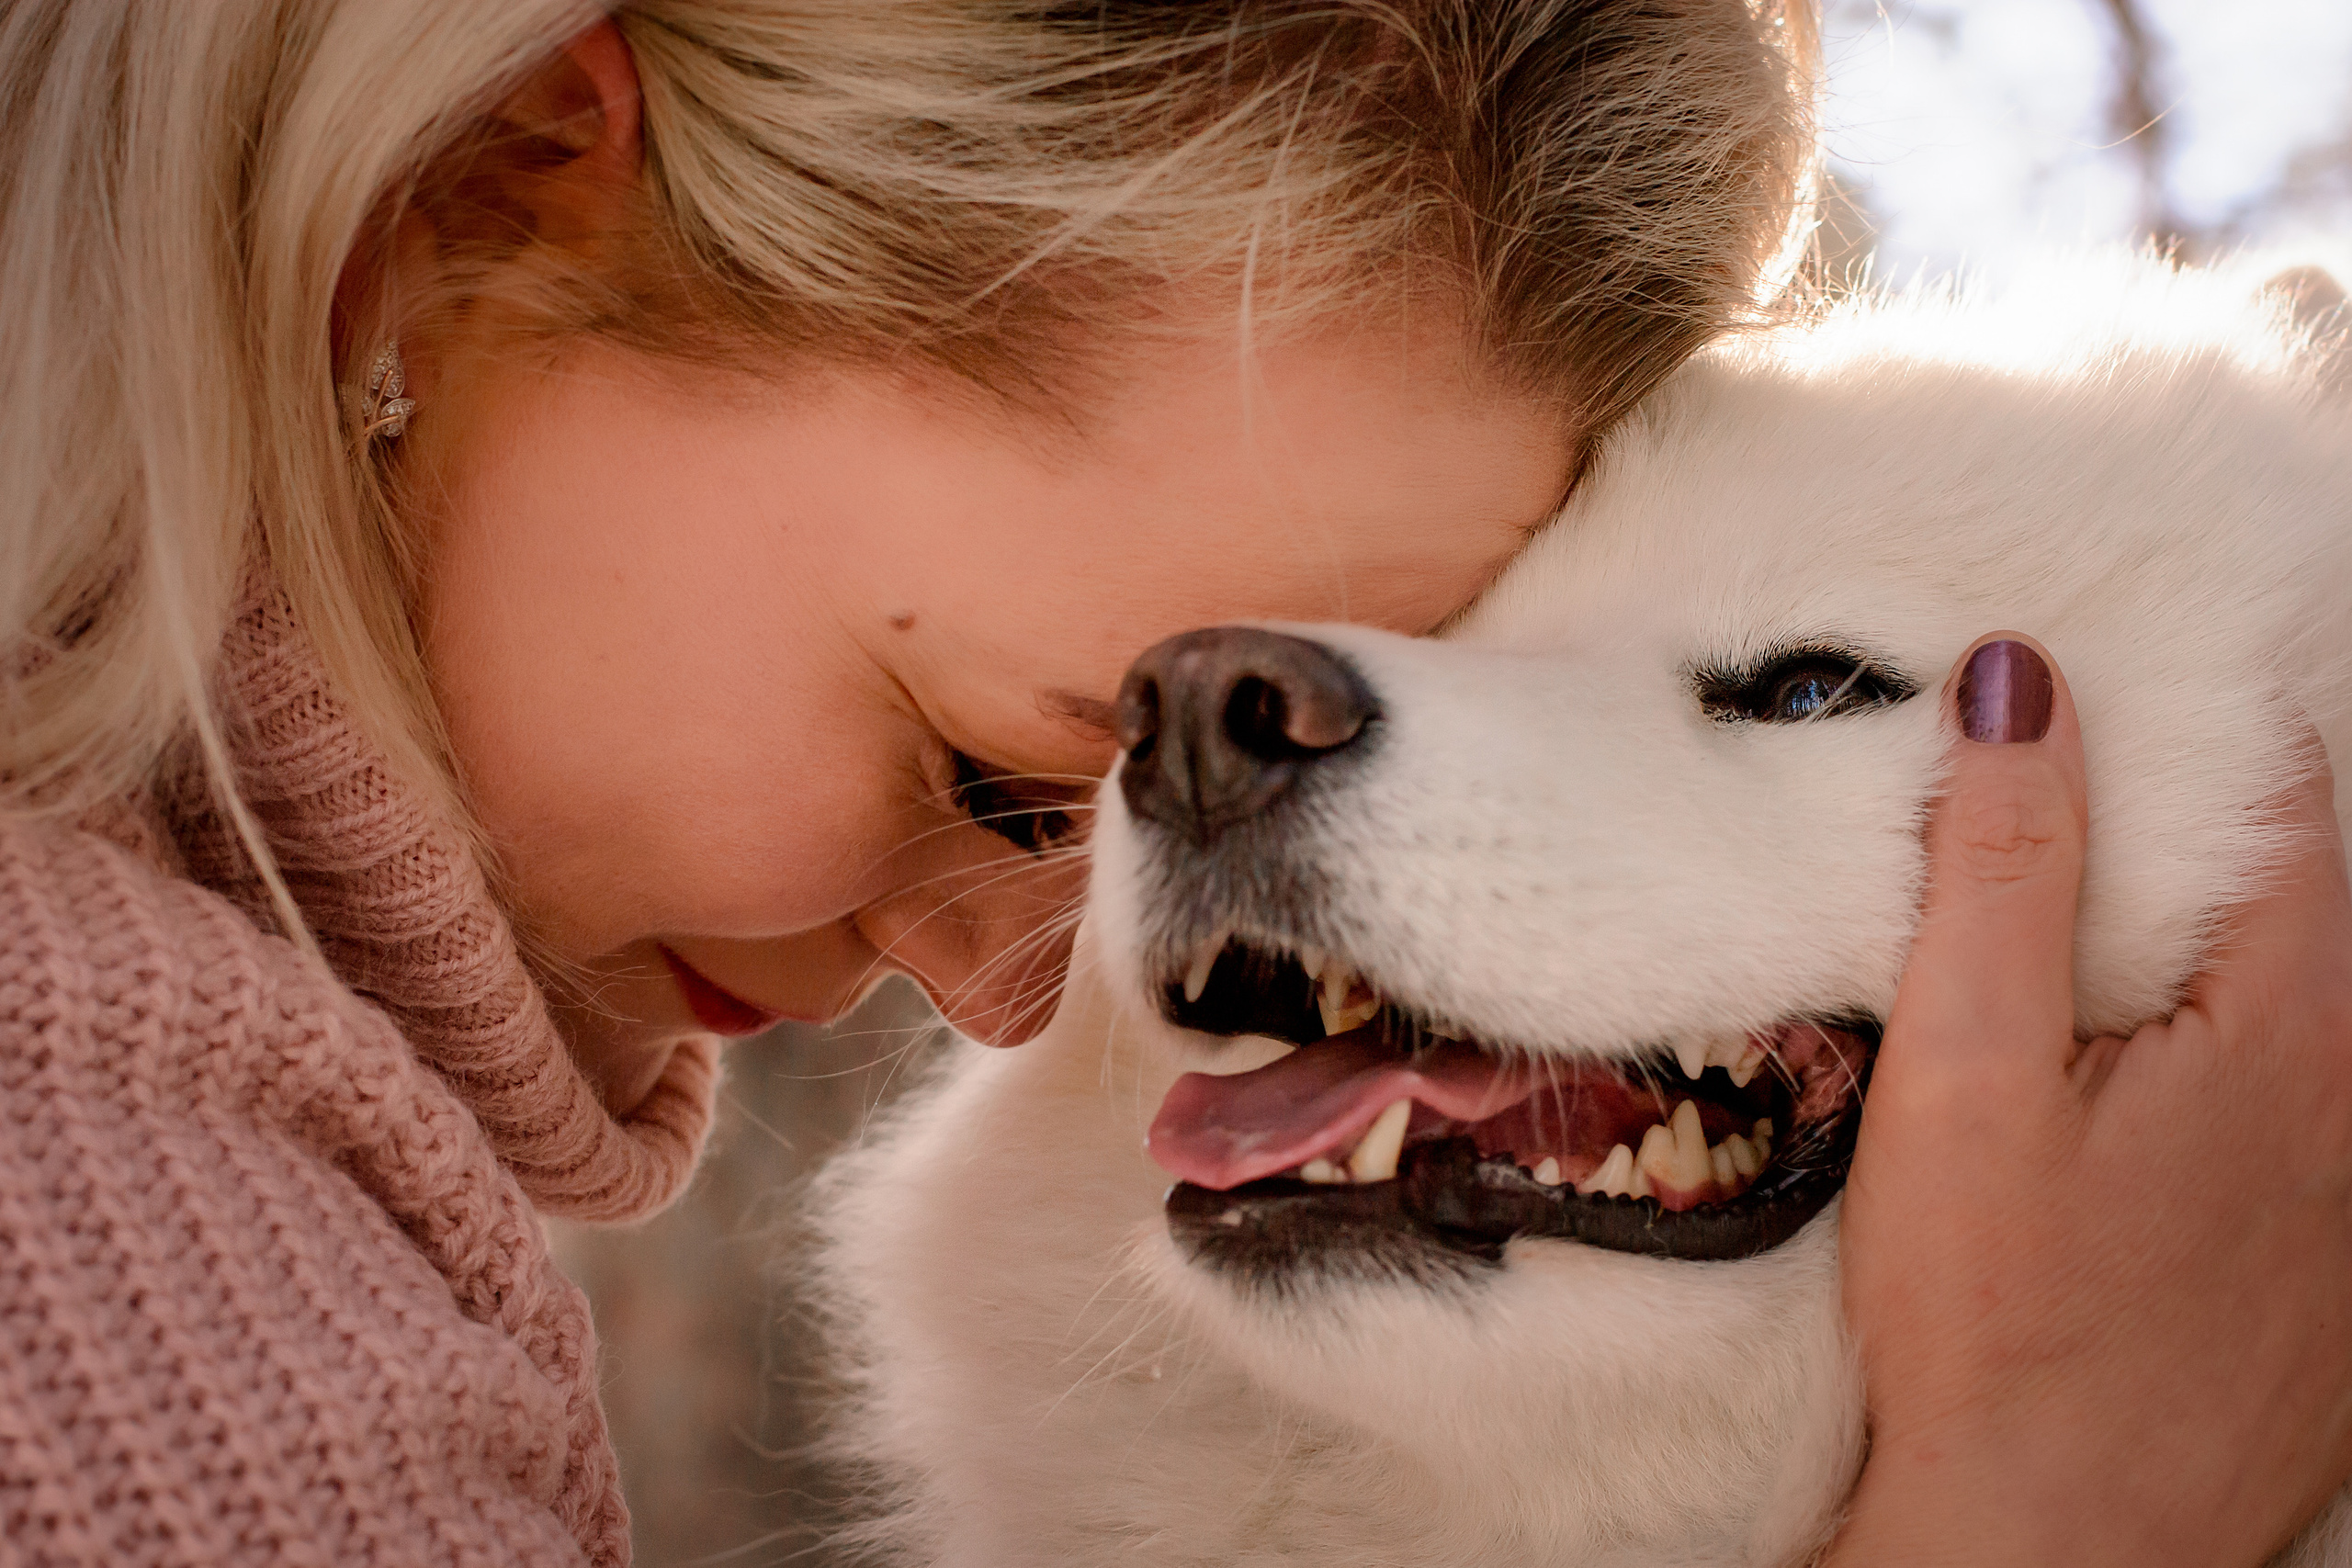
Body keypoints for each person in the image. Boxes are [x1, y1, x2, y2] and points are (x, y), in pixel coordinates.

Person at [0, 2, 2345, 1563]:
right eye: (1018, 761)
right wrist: (2056, 1509)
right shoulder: (105, 1205)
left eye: (1798, 679)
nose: (1005, 1001)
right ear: (505, 172)